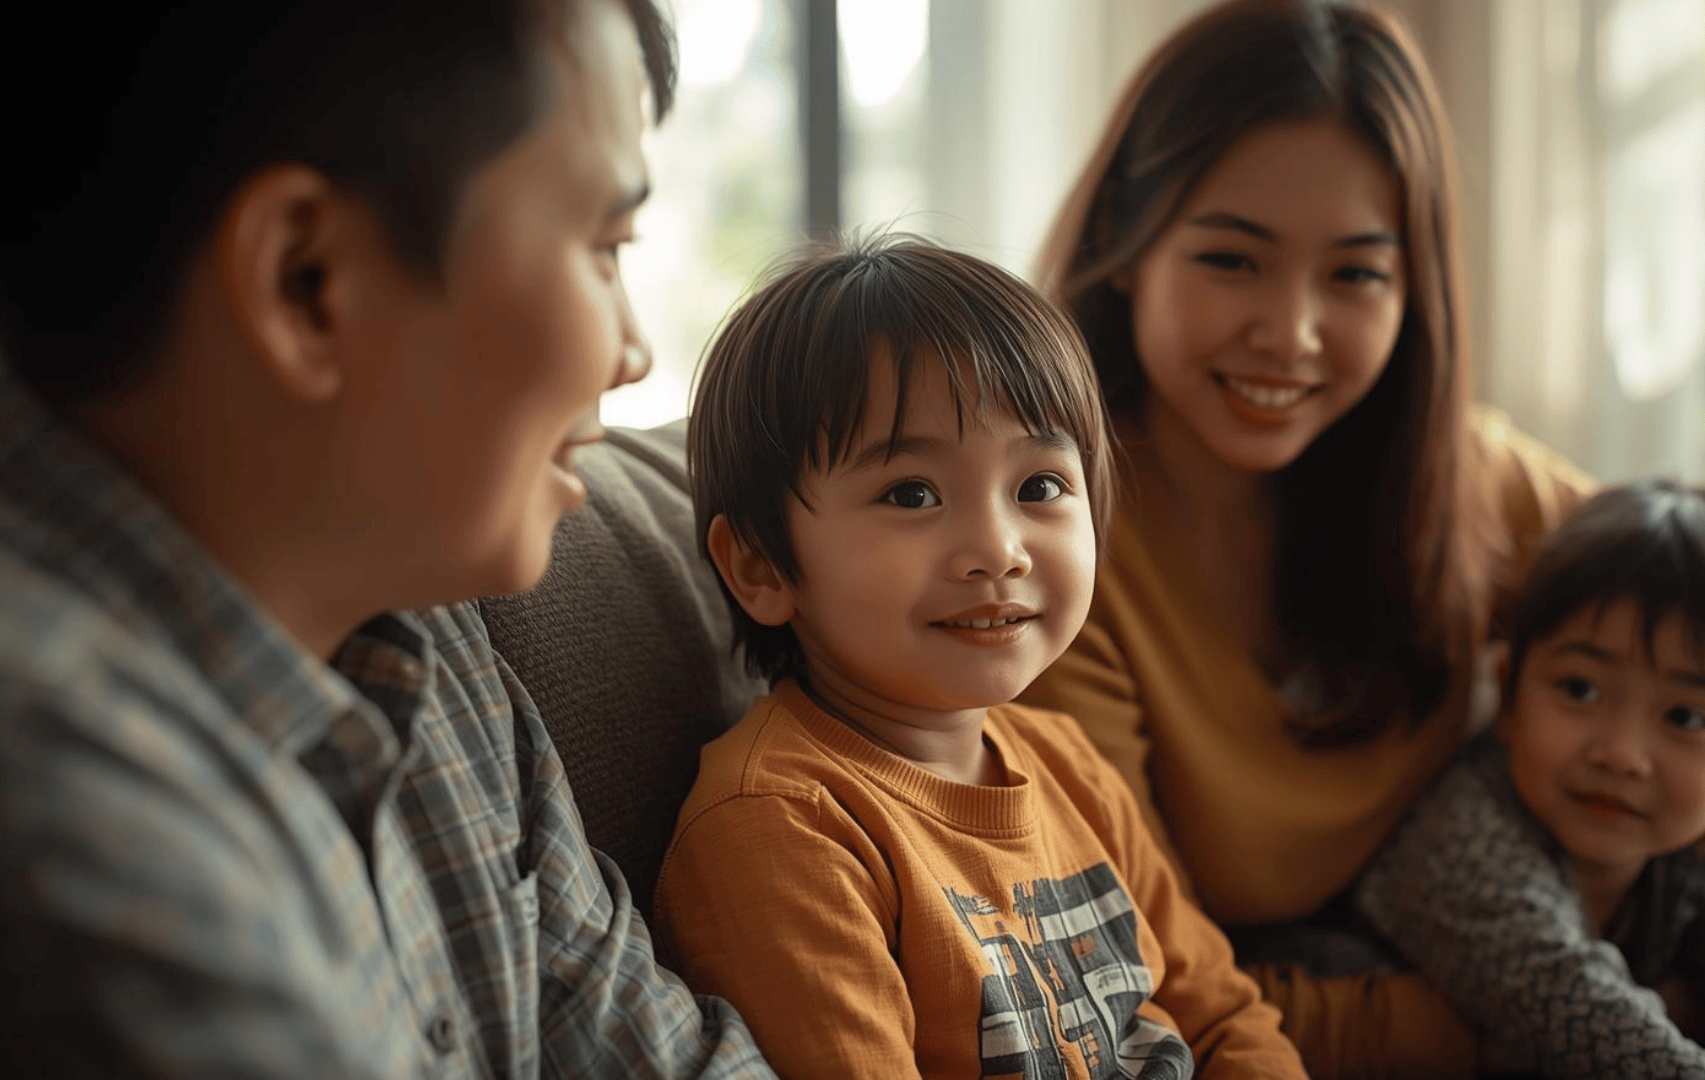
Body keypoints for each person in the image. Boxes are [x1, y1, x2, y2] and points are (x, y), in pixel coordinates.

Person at [1017, 0, 1705, 1075]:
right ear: (1127, 241)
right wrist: (1528, 1025)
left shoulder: (1470, 485)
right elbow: (1145, 978)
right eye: (1232, 260)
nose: (1291, 333)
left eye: (1355, 274)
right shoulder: (1047, 551)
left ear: (1413, 286)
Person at [0, 2, 778, 1075]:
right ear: (306, 283)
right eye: (603, 246)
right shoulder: (71, 812)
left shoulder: (422, 625)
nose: (637, 352)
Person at [656, 235, 1310, 1080]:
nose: (998, 550)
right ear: (761, 566)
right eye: (912, 493)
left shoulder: (1072, 766)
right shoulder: (780, 823)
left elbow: (1225, 1019)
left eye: (1039, 487)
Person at [1353, 479, 1705, 1080]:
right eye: (1580, 689)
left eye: (1685, 717)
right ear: (1510, 697)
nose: (1621, 755)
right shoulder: (1464, 835)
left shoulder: (1703, 848)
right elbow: (1593, 1024)